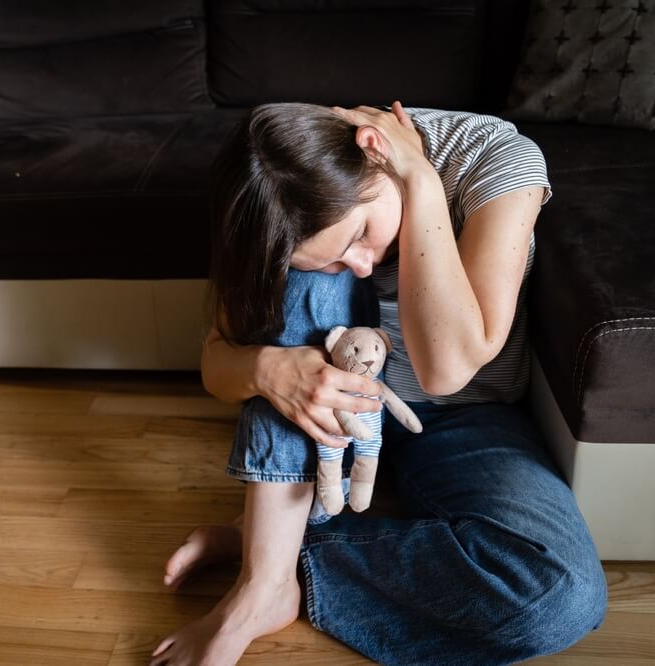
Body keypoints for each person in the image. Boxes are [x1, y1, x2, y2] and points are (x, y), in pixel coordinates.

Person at [149, 101, 608, 665]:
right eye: (339, 260)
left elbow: (446, 369)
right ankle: (259, 587)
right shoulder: (281, 192)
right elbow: (217, 365)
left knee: (558, 594)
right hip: (329, 425)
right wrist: (268, 369)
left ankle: (274, 553)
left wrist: (420, 183)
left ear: (374, 150)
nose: (364, 266)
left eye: (362, 234)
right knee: (302, 289)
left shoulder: (494, 158)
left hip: (462, 418)